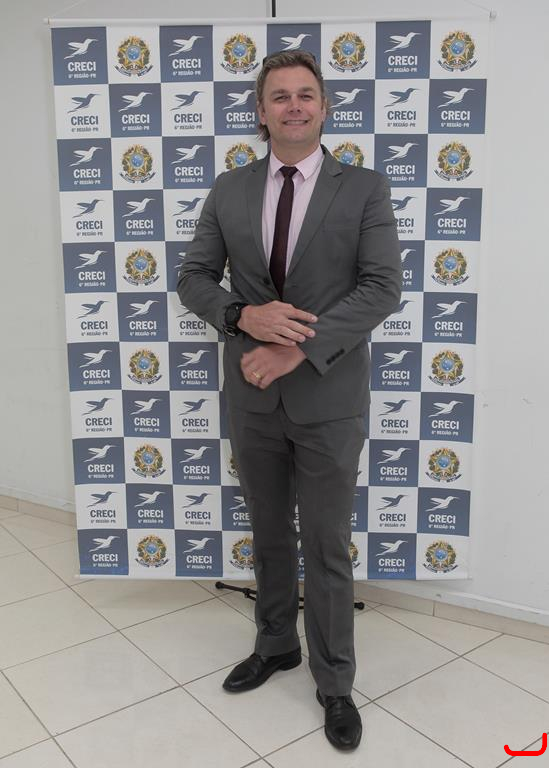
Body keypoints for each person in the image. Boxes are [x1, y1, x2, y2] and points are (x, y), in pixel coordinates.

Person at [177, 50, 401, 751]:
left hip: (329, 398)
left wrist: (296, 349)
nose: (294, 105)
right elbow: (193, 277)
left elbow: (382, 287)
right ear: (261, 110)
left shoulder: (363, 188)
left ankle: (334, 682)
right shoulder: (229, 188)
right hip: (252, 398)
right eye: (279, 96)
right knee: (269, 531)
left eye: (306, 94)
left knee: (326, 544)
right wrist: (242, 315)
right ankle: (275, 643)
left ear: (324, 107)